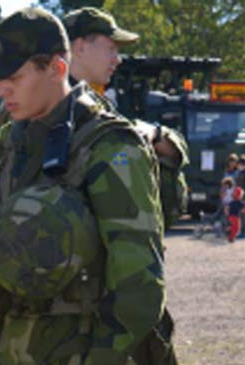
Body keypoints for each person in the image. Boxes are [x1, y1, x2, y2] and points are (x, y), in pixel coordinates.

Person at [0, 7, 165, 365]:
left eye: (14, 78)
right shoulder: (9, 141)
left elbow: (140, 271)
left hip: (77, 355)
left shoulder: (109, 146)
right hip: (7, 343)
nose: (2, 90)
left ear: (57, 68)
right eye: (0, 80)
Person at [63, 6, 191, 231]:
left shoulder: (97, 104)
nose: (117, 59)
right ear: (80, 47)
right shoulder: (51, 108)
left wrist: (156, 134)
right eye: (111, 48)